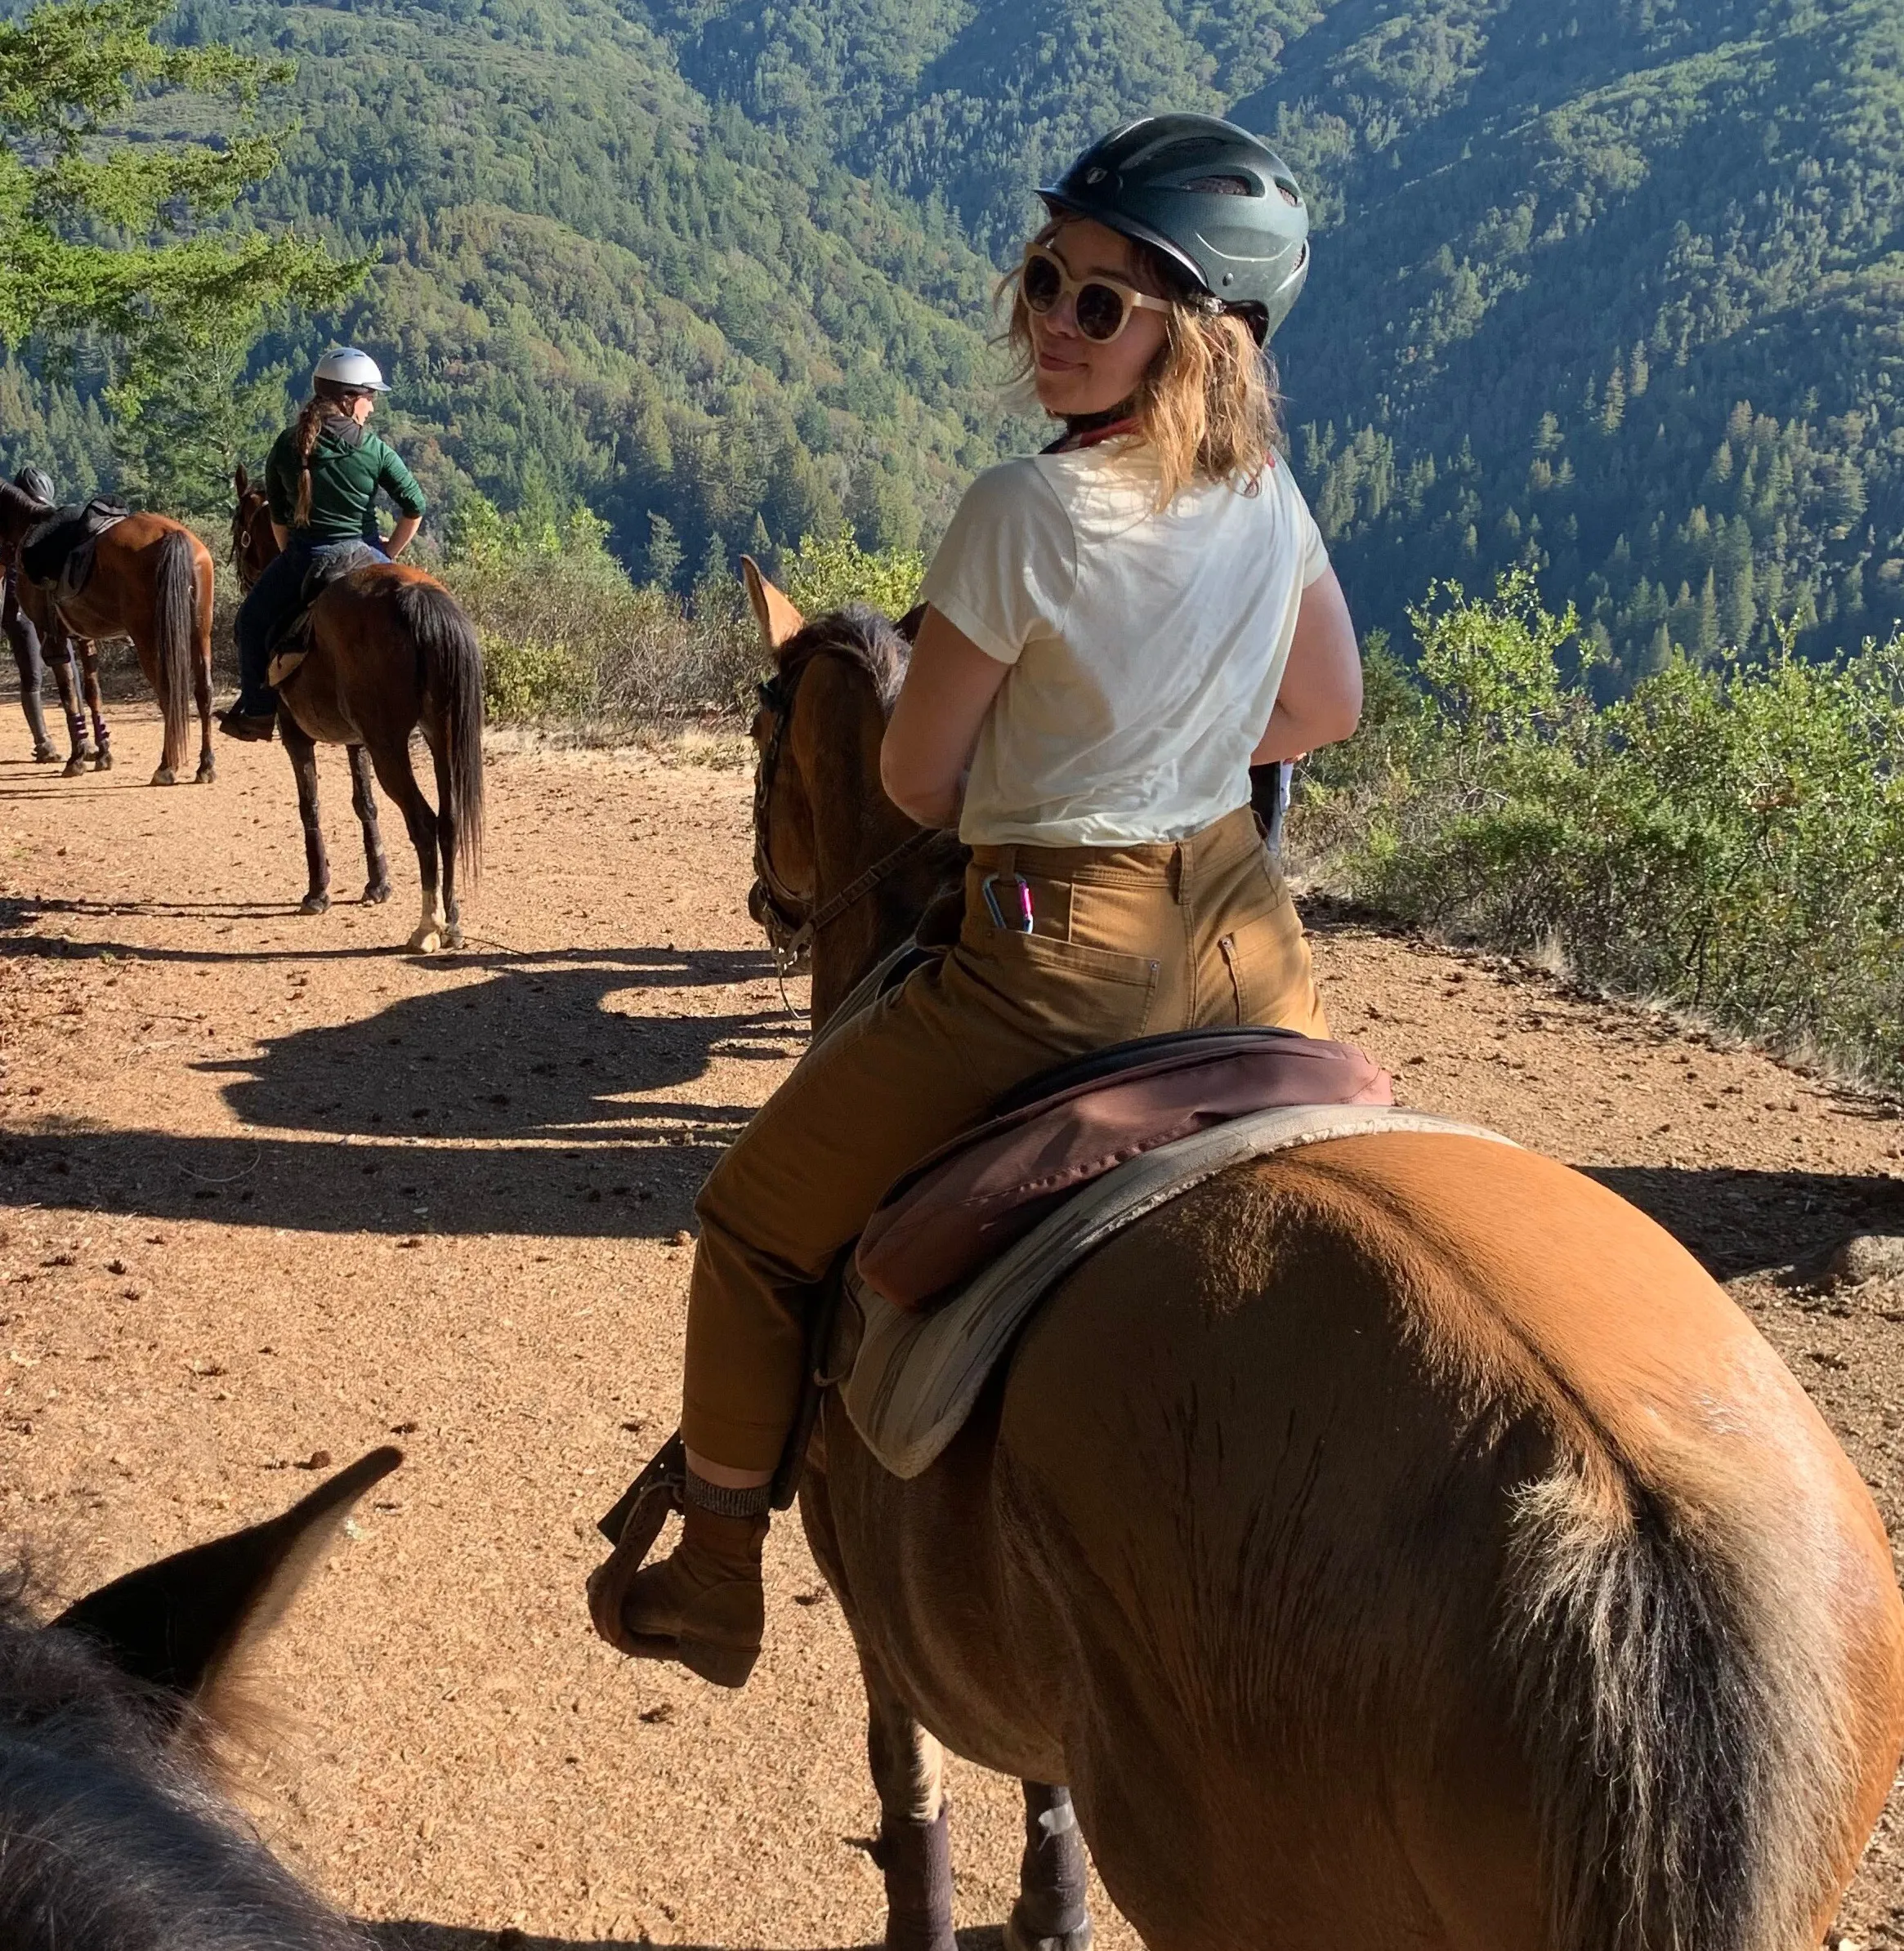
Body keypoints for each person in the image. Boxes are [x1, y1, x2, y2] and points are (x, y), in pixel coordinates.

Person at [590, 114, 1365, 1688]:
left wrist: (1060, 771)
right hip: (1248, 943)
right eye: (1043, 279)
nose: (1054, 323)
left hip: (1054, 963)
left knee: (752, 1221)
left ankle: (718, 1572)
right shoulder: (1268, 493)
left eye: (1102, 301)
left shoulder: (1025, 507)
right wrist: (1169, 748)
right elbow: (1325, 707)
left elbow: (919, 781)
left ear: (1196, 334)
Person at [220, 347, 426, 740]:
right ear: (348, 398)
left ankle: (258, 712)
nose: (372, 406)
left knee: (251, 621)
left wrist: (294, 557)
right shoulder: (374, 448)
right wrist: (388, 554)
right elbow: (415, 506)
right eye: (370, 396)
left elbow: (279, 520)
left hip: (307, 557)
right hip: (366, 555)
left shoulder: (286, 445)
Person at [5, 463, 67, 761]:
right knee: (33, 673)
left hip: (44, 604)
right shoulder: (7, 530)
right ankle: (43, 742)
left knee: (64, 664)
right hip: (18, 606)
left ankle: (81, 737)